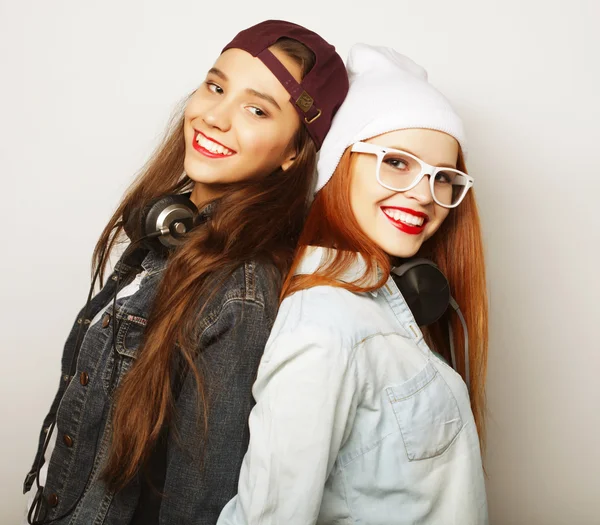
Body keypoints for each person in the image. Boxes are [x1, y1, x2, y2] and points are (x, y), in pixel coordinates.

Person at [22, 20, 348, 525]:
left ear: (292, 153)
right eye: (216, 86)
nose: (214, 116)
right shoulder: (169, 235)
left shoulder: (240, 294)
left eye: (256, 109)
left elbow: (200, 504)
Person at [217, 43, 489, 524]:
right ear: (340, 164)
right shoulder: (326, 325)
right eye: (398, 162)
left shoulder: (381, 307)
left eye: (442, 177)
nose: (425, 195)